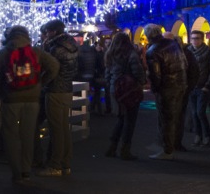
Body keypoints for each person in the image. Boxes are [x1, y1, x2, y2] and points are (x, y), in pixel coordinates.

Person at [0, 25, 58, 184]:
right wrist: (40, 83)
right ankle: (26, 170)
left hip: (11, 99)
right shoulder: (35, 52)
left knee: (11, 136)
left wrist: (1, 92)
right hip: (32, 99)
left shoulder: (3, 53)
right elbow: (54, 66)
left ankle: (16, 173)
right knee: (28, 135)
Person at [36, 19, 79, 177]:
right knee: (64, 128)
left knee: (56, 130)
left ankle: (55, 165)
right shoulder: (72, 45)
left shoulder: (54, 47)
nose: (45, 35)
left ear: (53, 32)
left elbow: (51, 69)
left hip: (55, 90)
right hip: (67, 89)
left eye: (47, 32)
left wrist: (42, 82)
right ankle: (65, 163)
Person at [142, 23, 189, 159]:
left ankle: (167, 150)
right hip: (180, 84)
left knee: (166, 119)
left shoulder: (153, 50)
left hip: (166, 88)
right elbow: (184, 63)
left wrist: (155, 89)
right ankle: (172, 145)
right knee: (175, 117)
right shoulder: (173, 44)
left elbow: (155, 75)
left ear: (148, 35)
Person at [104, 30, 145, 161]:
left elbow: (107, 74)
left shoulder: (110, 54)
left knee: (121, 118)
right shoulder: (131, 54)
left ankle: (112, 146)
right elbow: (137, 71)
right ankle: (125, 150)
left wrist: (111, 84)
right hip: (129, 90)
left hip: (115, 89)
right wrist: (141, 82)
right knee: (130, 120)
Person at [187, 30, 210, 147]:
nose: (195, 41)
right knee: (194, 113)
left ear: (202, 39)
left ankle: (207, 136)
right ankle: (198, 135)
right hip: (191, 87)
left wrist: (207, 85)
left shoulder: (209, 52)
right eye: (193, 38)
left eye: (197, 38)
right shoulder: (188, 52)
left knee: (200, 112)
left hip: (203, 87)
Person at [75, 35, 107, 115]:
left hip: (82, 77)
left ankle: (82, 110)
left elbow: (78, 66)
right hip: (92, 75)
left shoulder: (79, 54)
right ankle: (97, 110)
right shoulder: (93, 53)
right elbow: (99, 65)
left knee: (81, 94)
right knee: (97, 93)